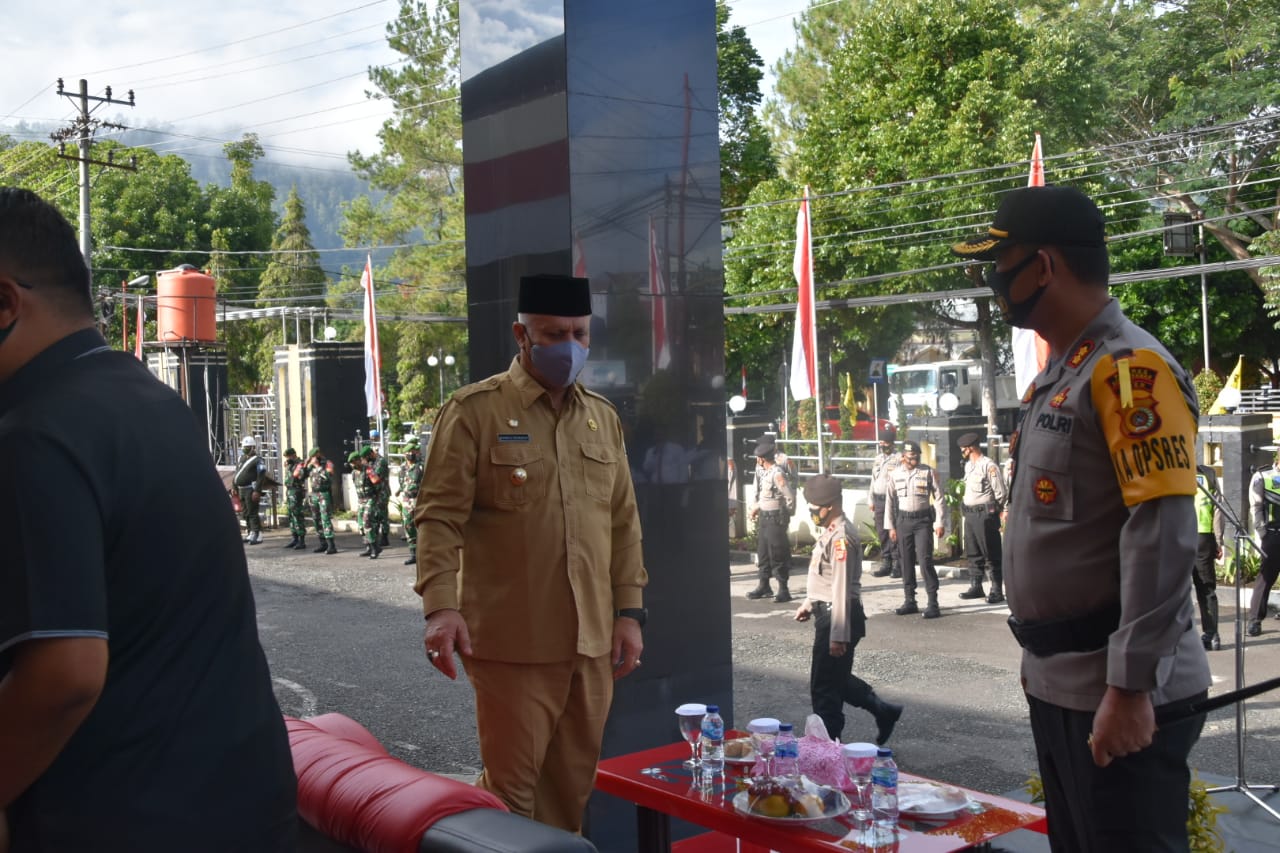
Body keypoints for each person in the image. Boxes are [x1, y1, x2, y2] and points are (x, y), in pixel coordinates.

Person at [0, 186, 296, 849]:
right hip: (245, 799)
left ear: (5, 303)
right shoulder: (152, 401)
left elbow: (64, 674)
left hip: (127, 817)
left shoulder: (34, 434)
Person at [951, 185, 1210, 850]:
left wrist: (1129, 685)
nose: (992, 281)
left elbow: (1161, 532)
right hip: (1065, 681)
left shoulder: (1131, 371)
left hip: (1120, 691)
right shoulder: (1063, 374)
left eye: (998, 263)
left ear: (1044, 265)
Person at [413, 273, 647, 833]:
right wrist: (441, 607)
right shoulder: (474, 412)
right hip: (512, 643)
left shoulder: (602, 418)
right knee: (511, 796)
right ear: (522, 334)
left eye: (580, 333)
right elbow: (439, 516)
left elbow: (622, 522)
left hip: (591, 643)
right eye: (553, 332)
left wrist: (629, 612)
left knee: (571, 791)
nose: (570, 345)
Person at [794, 474, 903, 744]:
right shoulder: (831, 530)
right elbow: (827, 577)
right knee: (836, 679)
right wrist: (810, 601)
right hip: (832, 611)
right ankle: (882, 710)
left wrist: (838, 633)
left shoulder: (842, 537)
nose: (811, 512)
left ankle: (828, 748)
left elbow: (841, 586)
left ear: (830, 506)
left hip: (838, 616)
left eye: (814, 508)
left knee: (824, 689)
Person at [884, 440, 945, 618]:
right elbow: (889, 500)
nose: (915, 460)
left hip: (923, 521)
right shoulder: (895, 474)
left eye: (917, 456)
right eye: (911, 457)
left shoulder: (927, 472)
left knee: (925, 560)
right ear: (903, 457)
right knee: (906, 561)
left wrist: (939, 522)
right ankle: (909, 600)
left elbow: (939, 498)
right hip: (903, 521)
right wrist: (891, 527)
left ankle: (933, 602)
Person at [956, 432, 1008, 604]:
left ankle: (996, 590)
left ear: (970, 448)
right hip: (970, 514)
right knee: (973, 552)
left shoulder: (988, 465)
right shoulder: (969, 466)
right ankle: (976, 586)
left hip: (984, 515)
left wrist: (998, 511)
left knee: (990, 553)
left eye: (963, 448)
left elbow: (1000, 493)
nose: (962, 451)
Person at [747, 436, 796, 602]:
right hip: (764, 518)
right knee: (763, 553)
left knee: (777, 553)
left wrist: (786, 514)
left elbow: (789, 496)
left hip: (776, 519)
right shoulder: (765, 472)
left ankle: (783, 589)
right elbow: (762, 494)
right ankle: (764, 585)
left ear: (762, 459)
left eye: (757, 458)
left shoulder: (777, 473)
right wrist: (755, 507)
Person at [1247, 450, 1280, 637]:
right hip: (1273, 535)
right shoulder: (1263, 476)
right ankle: (1255, 620)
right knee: (1265, 578)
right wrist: (1262, 533)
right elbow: (1256, 506)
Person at [1194, 464, 1225, 649]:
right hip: (1203, 537)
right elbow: (1218, 509)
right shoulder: (1207, 473)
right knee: (1206, 588)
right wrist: (1218, 539)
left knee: (1174, 590)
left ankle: (1176, 638)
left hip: (1176, 536)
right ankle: (1212, 635)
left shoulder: (1170, 470)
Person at [868, 437, 902, 579]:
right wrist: (870, 499)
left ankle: (897, 564)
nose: (883, 445)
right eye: (881, 442)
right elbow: (873, 480)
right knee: (881, 532)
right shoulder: (878, 459)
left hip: (892, 500)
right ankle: (886, 562)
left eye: (886, 442)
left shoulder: (899, 458)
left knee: (892, 531)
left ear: (892, 443)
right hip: (878, 499)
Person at [234, 434, 267, 544]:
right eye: (244, 447)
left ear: (253, 447)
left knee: (252, 512)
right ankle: (250, 532)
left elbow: (261, 475)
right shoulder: (241, 458)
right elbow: (237, 473)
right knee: (245, 512)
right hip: (241, 489)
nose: (244, 449)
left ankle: (257, 534)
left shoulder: (258, 460)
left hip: (250, 489)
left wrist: (257, 490)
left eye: (247, 447)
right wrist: (234, 486)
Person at [307, 447, 338, 554]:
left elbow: (328, 476)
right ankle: (322, 543)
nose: (313, 459)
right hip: (314, 494)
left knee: (325, 519)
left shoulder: (327, 464)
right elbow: (299, 475)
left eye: (314, 456)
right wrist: (306, 464)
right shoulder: (310, 466)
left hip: (324, 494)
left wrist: (317, 466)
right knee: (316, 519)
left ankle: (331, 545)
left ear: (319, 454)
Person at [399, 436, 425, 565]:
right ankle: (413, 554)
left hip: (418, 500)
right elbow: (401, 482)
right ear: (405, 454)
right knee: (408, 526)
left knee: (421, 526)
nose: (412, 455)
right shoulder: (403, 468)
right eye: (410, 453)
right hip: (407, 500)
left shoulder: (420, 467)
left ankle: (425, 553)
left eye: (414, 453)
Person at [355, 448, 383, 559]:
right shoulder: (354, 473)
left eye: (354, 461)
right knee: (361, 524)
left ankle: (374, 547)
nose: (353, 464)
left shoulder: (368, 470)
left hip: (370, 499)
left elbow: (377, 483)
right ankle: (368, 547)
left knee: (367, 522)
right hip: (361, 500)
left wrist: (375, 497)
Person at [281, 447, 310, 550]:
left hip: (296, 491)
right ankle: (295, 538)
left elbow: (303, 476)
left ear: (293, 455)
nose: (287, 459)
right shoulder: (290, 464)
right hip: (289, 491)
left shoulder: (299, 464)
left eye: (288, 456)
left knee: (297, 514)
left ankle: (301, 540)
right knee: (291, 515)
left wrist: (302, 467)